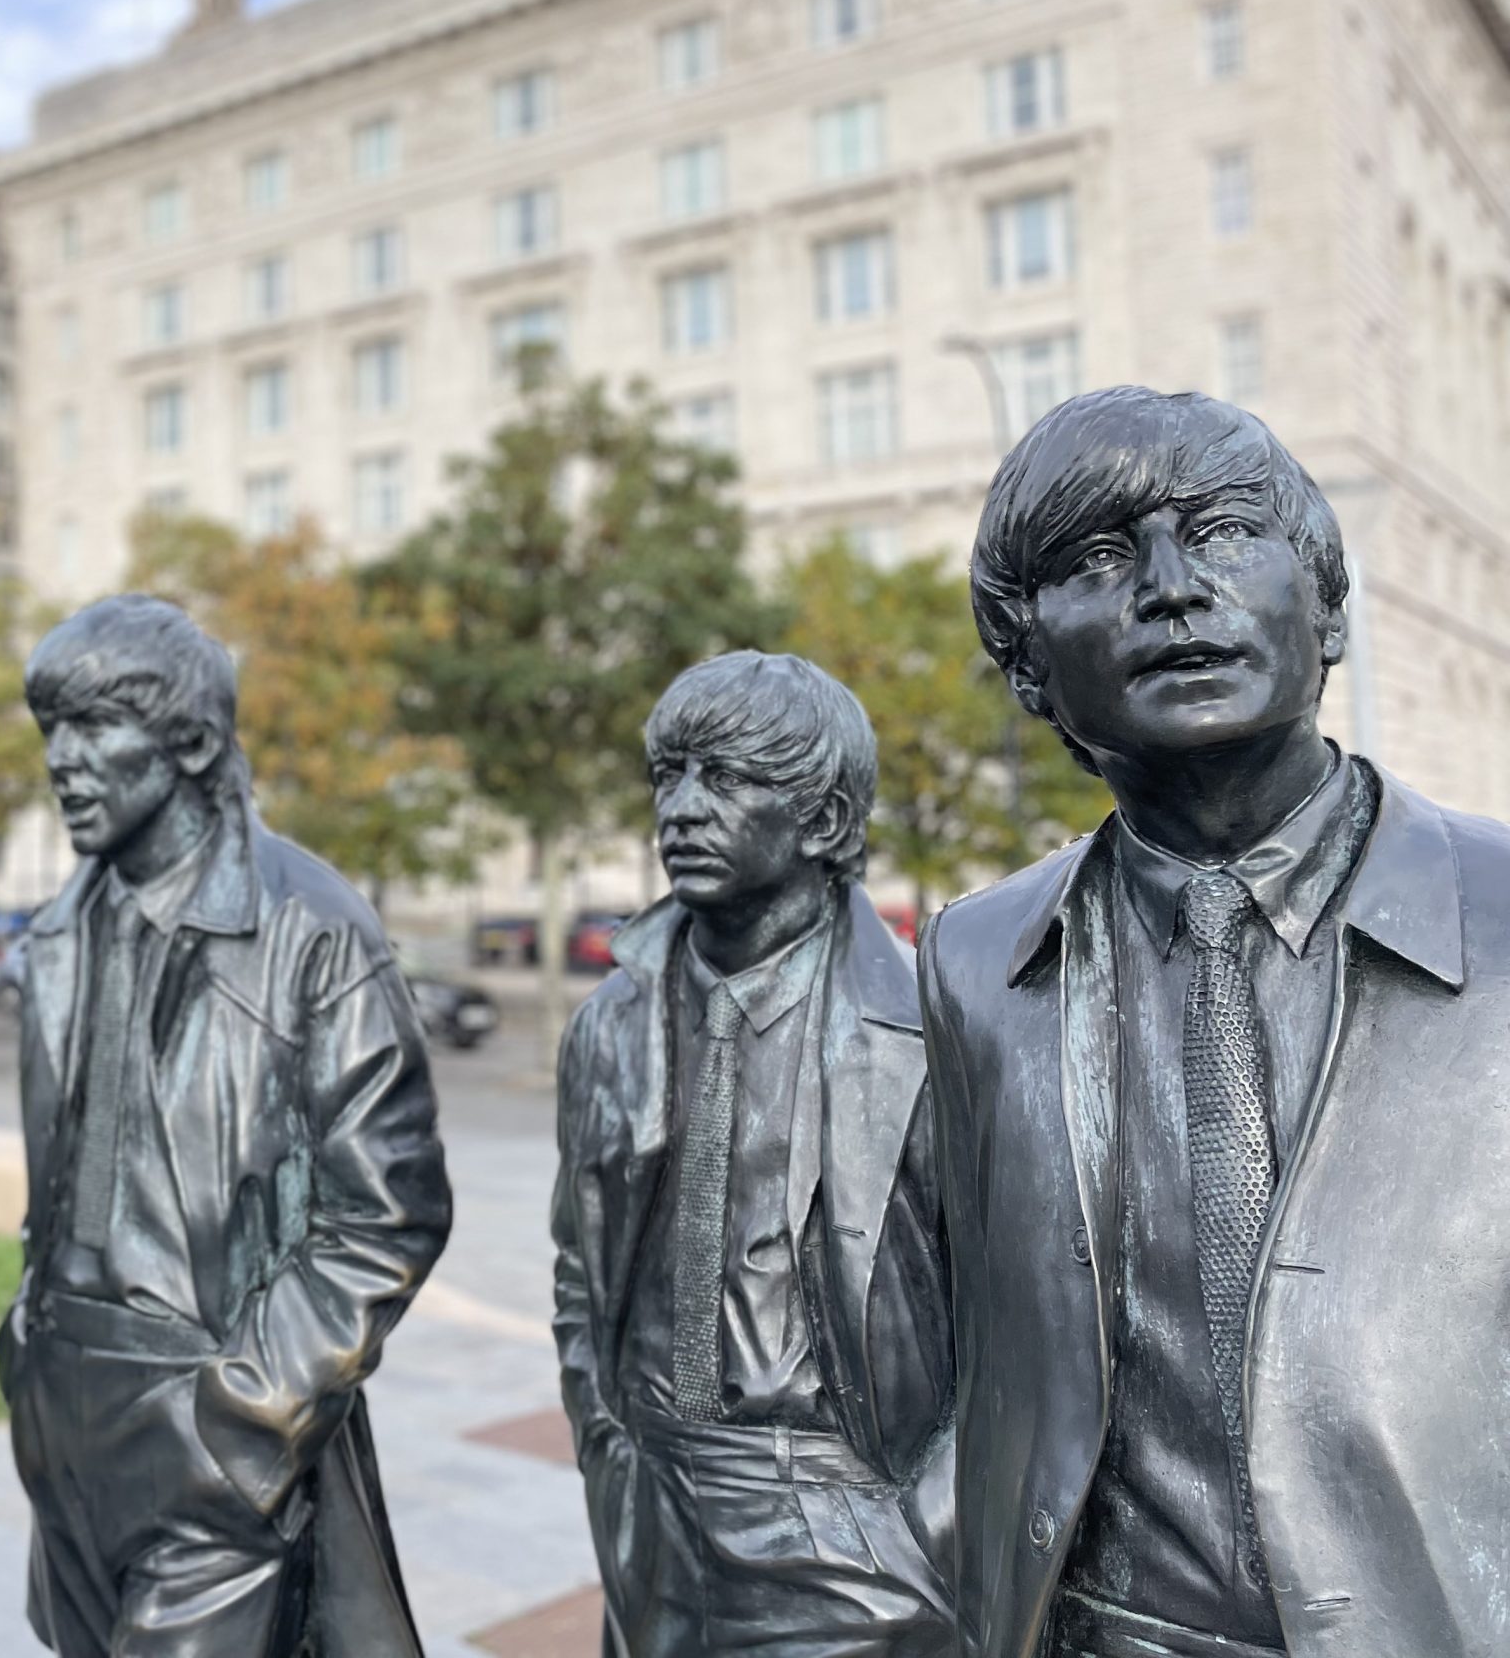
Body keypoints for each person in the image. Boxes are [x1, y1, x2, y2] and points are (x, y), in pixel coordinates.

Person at [923, 385, 1510, 1657]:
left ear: (1329, 607)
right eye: (1095, 559)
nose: (1171, 589)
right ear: (1026, 666)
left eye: (1227, 532)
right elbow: (936, 1356)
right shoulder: (972, 961)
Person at [0, 593, 452, 1658]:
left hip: (213, 1418)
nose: (62, 760)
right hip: (68, 1410)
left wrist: (248, 1413)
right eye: (51, 729)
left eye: (94, 727)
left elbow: (388, 1214)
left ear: (193, 743)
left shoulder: (311, 929)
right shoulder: (62, 932)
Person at [552, 652, 954, 1658]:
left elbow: (1026, 1332)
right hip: (652, 1513)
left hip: (849, 1531)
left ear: (825, 822)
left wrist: (921, 1540)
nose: (680, 809)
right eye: (669, 775)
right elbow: (578, 1266)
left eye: (725, 779)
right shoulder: (610, 1023)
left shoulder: (931, 1031)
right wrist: (606, 1449)